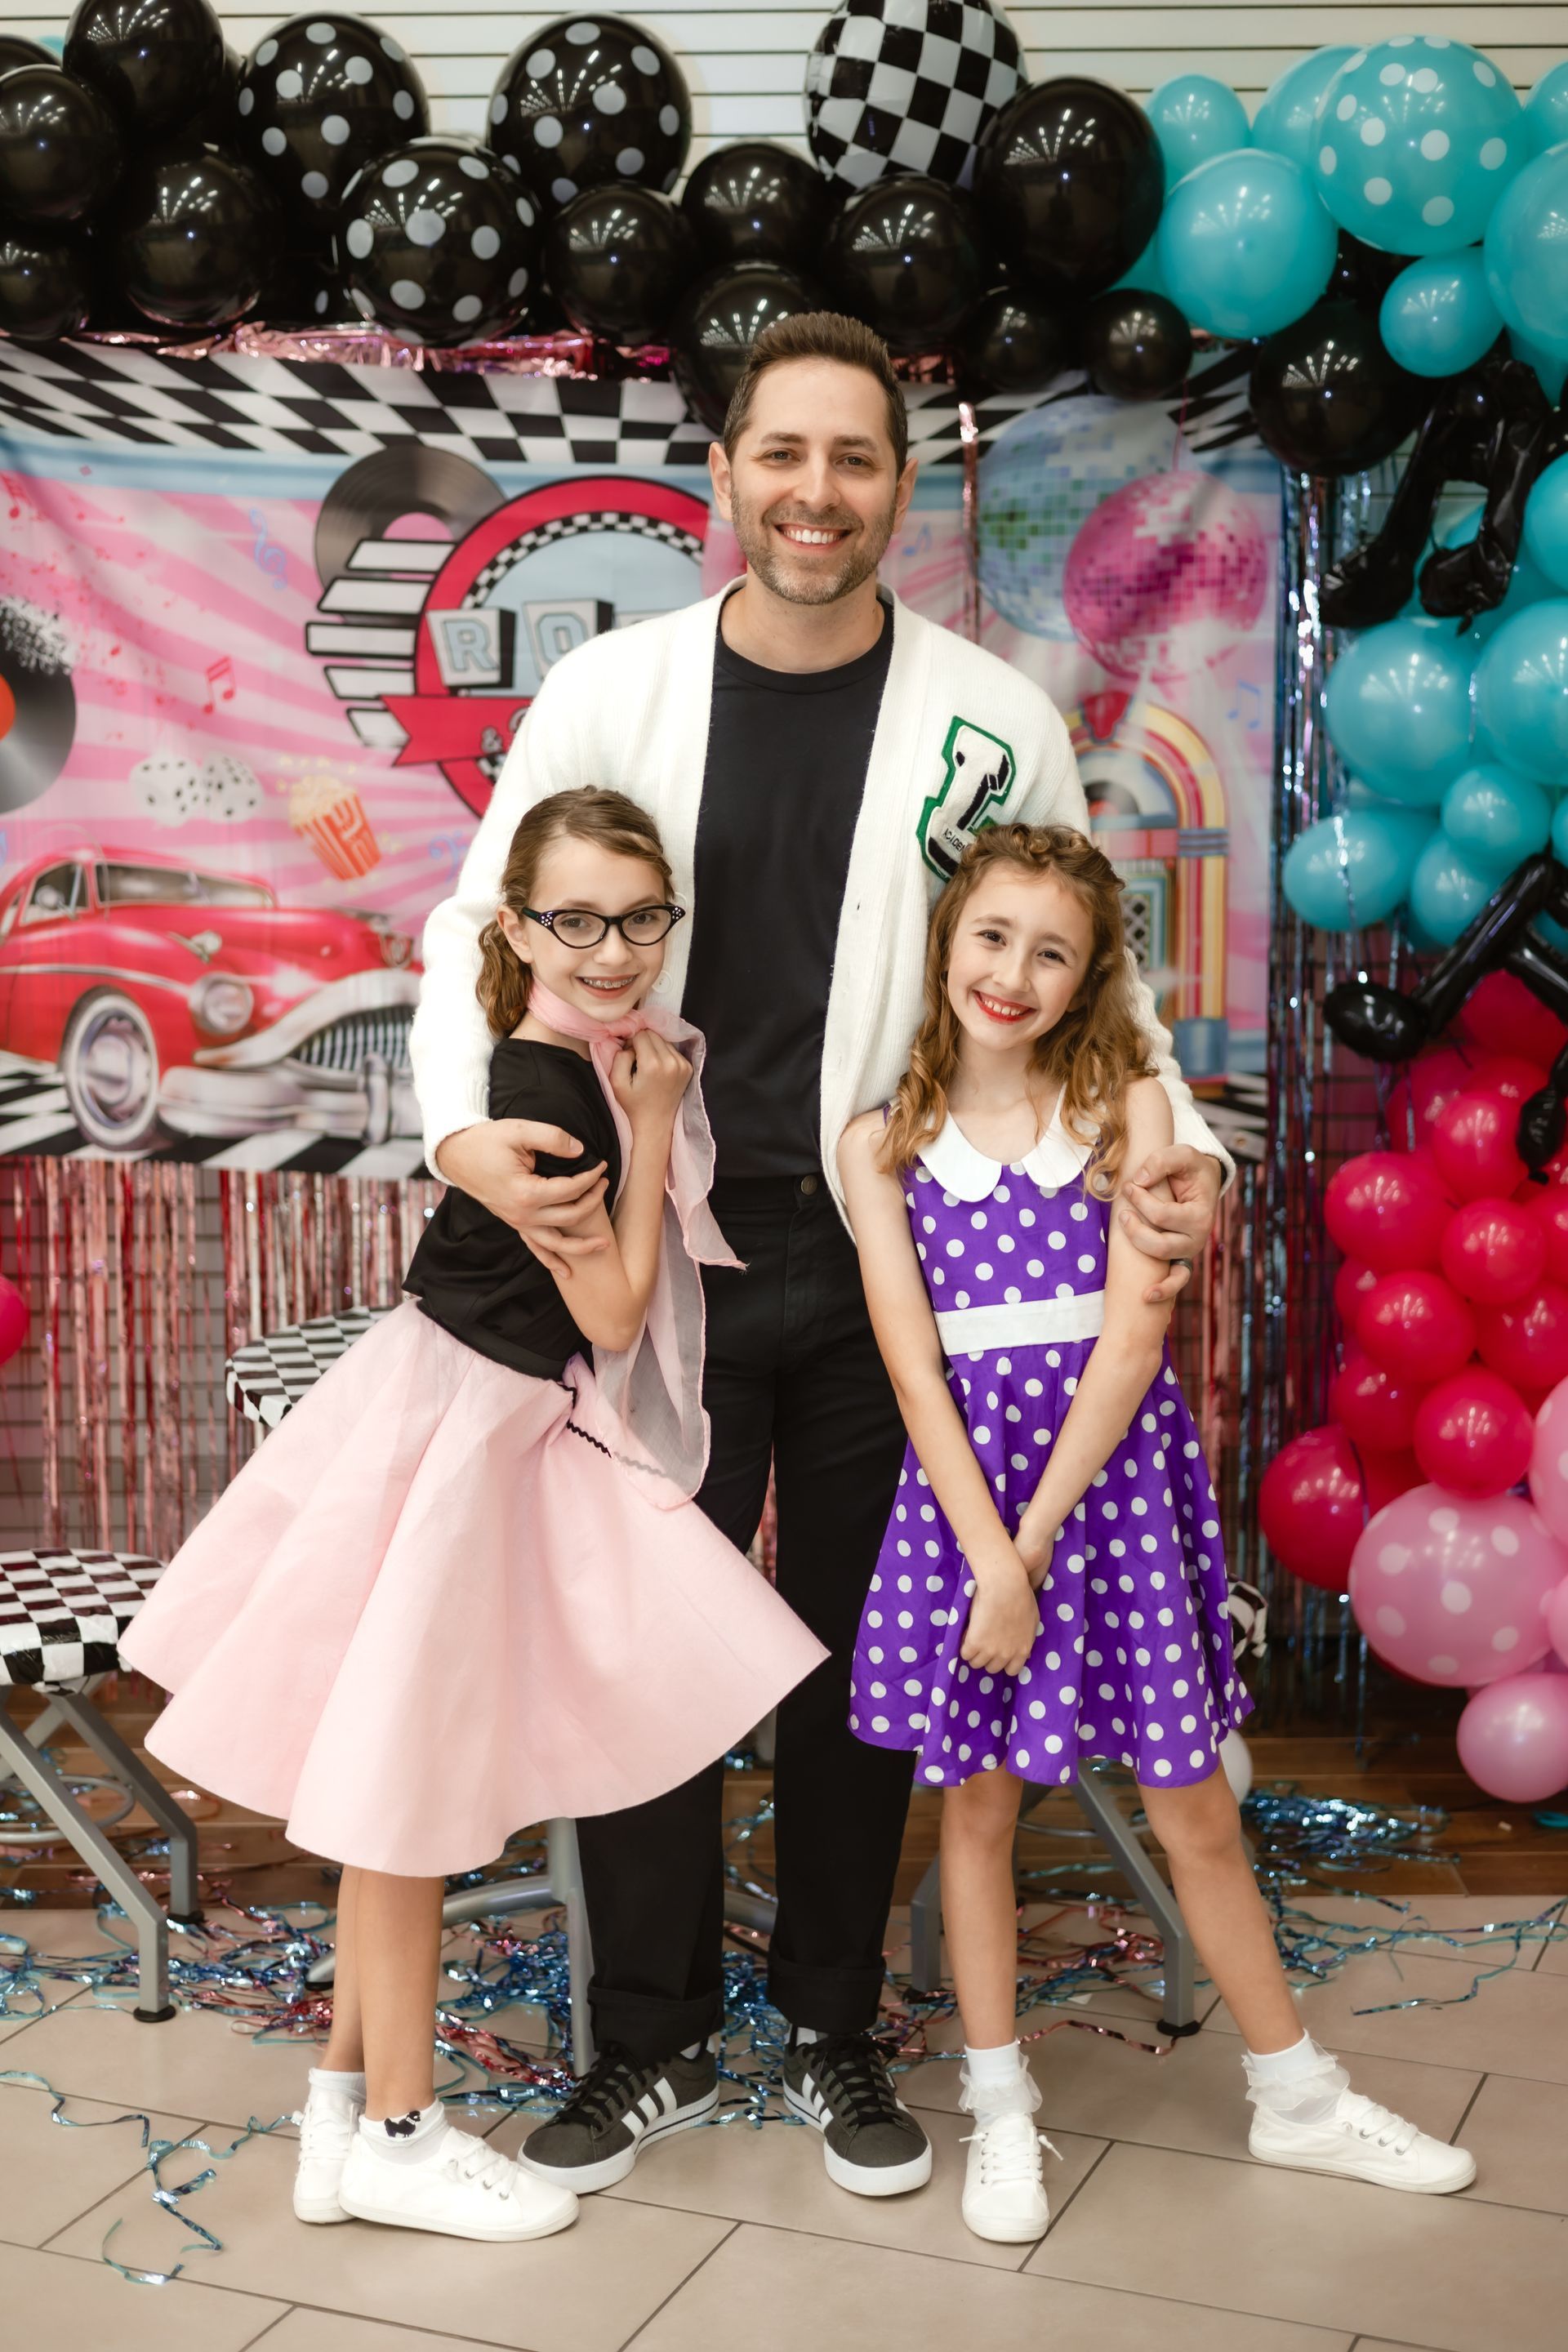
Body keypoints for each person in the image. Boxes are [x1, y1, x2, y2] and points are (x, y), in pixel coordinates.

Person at [412, 311, 1233, 2200]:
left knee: (877, 1656)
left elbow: (1088, 968)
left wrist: (1167, 1151)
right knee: (651, 1649)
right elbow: (481, 922)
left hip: (890, 1268)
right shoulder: (613, 694)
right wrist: (465, 1133)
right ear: (724, 474)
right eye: (782, 454)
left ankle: (839, 2018)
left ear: (896, 492)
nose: (816, 493)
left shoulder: (990, 717)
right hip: (655, 1255)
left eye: (854, 461)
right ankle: (648, 2040)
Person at [121, 789, 824, 2244]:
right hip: (464, 1429)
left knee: (397, 1790)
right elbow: (621, 1309)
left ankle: (337, 2123)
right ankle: (398, 2129)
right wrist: (646, 1118)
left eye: (642, 919)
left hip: (477, 1414)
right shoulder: (557, 1098)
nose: (615, 949)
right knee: (402, 1809)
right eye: (576, 920)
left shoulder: (561, 1056)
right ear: (515, 927)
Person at [839, 823, 1477, 2243]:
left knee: (1193, 1800)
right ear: (948, 942)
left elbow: (1134, 1339)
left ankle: (1299, 2097)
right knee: (981, 1809)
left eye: (1050, 952)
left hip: (1104, 1497)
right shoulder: (879, 1140)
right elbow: (910, 1365)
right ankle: (1003, 2118)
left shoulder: (1128, 1109)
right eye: (992, 938)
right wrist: (987, 1559)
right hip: (965, 1506)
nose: (1013, 973)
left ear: (1089, 976)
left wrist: (1038, 1547)